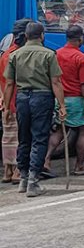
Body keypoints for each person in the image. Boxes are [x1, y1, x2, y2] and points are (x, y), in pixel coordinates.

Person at [2, 22, 66, 197]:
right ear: (42, 36)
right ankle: (33, 181)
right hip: (42, 98)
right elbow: (56, 82)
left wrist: (7, 107)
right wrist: (61, 105)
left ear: (26, 36)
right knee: (39, 138)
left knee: (24, 139)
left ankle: (23, 179)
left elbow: (9, 84)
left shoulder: (15, 55)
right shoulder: (49, 54)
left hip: (22, 98)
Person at [43, 26, 84, 177]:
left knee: (59, 131)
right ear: (80, 39)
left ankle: (46, 161)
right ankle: (79, 166)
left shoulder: (56, 54)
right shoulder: (81, 57)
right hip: (77, 99)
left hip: (60, 99)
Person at [0, 19, 31, 184]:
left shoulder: (5, 54)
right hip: (19, 101)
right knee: (22, 137)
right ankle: (18, 170)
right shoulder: (19, 55)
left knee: (8, 136)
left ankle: (7, 171)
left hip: (6, 101)